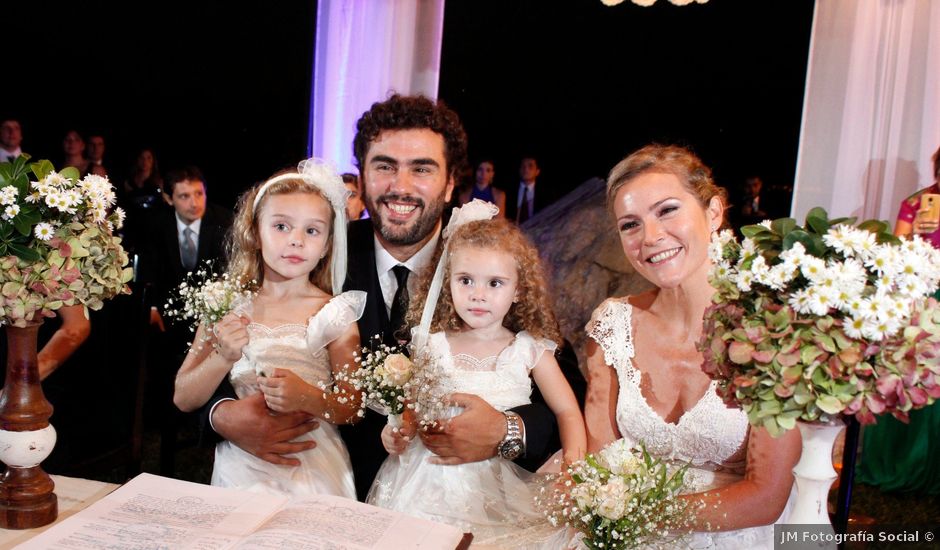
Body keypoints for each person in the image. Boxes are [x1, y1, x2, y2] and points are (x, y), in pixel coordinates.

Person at [203, 94, 581, 502]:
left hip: (458, 495)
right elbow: (215, 342)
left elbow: (568, 389)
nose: (401, 186)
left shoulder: (488, 266)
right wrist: (221, 415)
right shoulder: (312, 249)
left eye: (422, 169)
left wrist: (507, 431)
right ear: (361, 180)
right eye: (384, 166)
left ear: (451, 182)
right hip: (315, 485)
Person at [584, 144, 800, 548]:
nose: (650, 238)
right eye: (630, 225)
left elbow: (767, 497)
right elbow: (599, 457)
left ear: (714, 213)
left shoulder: (771, 331)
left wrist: (646, 515)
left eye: (667, 211)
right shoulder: (611, 324)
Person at [368, 213, 585, 541]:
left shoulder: (529, 350)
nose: (478, 294)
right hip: (426, 483)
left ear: (518, 291)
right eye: (465, 280)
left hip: (498, 486)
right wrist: (397, 430)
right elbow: (412, 407)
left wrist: (573, 468)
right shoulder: (431, 345)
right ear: (447, 284)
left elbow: (567, 411)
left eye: (494, 283)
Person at [173, 160, 363, 497]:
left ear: (326, 246)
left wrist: (309, 396)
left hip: (312, 462)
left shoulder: (334, 313)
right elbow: (184, 398)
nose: (296, 241)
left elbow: (352, 406)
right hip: (241, 465)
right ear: (254, 233)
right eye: (281, 226)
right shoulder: (224, 305)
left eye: (312, 230)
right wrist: (222, 357)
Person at [138, 165, 232, 475]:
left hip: (215, 315)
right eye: (183, 196)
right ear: (168, 198)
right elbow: (148, 269)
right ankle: (166, 429)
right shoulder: (155, 224)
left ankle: (208, 429)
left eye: (198, 193)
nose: (194, 202)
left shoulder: (222, 221)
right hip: (169, 319)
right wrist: (151, 308)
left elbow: (230, 272)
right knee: (165, 366)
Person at [857, 144, 940, 495]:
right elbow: (896, 247)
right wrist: (918, 236)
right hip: (920, 296)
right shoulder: (917, 202)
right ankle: (899, 461)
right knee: (910, 375)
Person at [506, 156, 547, 224]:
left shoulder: (545, 193)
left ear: (537, 171)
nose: (526, 169)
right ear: (519, 170)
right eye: (523, 166)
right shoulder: (508, 191)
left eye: (530, 166)